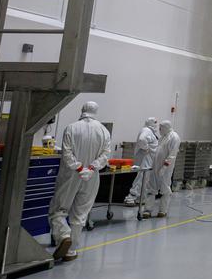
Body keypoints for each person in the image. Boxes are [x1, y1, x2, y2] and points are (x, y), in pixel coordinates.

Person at [49, 101, 112, 263]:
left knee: (59, 210)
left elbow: (67, 152)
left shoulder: (71, 128)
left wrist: (78, 168)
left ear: (82, 109)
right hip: (92, 176)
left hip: (71, 175)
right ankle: (71, 250)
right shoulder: (104, 131)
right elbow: (106, 155)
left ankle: (63, 235)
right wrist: (91, 168)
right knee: (80, 214)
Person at [124, 116, 159, 207]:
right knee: (141, 178)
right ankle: (131, 197)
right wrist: (146, 148)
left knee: (145, 179)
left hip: (149, 160)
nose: (156, 125)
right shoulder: (146, 130)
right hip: (145, 159)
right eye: (155, 122)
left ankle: (141, 198)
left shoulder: (150, 131)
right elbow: (142, 140)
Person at [153, 120, 180, 218]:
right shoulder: (163, 137)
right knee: (151, 187)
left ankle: (163, 210)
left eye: (161, 128)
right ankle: (148, 209)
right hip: (156, 166)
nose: (159, 130)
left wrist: (164, 167)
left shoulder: (174, 137)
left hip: (166, 168)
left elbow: (172, 155)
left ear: (166, 127)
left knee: (165, 187)